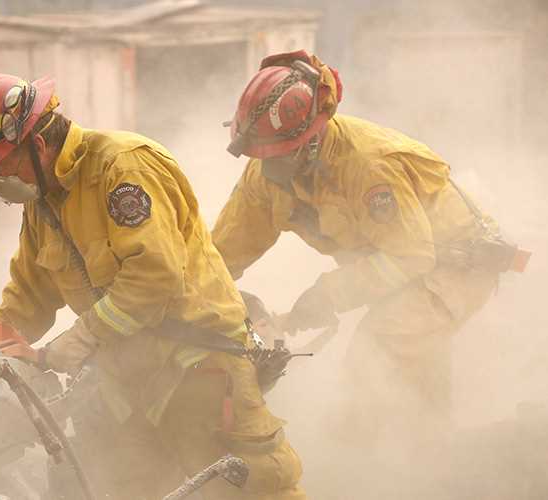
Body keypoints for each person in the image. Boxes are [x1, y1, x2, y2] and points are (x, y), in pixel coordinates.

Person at [0, 73, 307, 499]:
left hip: (199, 369)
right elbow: (27, 298)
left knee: (249, 488)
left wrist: (79, 339)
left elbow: (155, 276)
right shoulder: (42, 202)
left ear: (38, 144)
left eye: (1, 167)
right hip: (128, 385)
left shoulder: (123, 168)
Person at [212, 51, 521, 446]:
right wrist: (194, 296)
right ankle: (434, 457)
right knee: (418, 376)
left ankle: (359, 462)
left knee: (376, 353)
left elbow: (412, 257)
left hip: (454, 267)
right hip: (404, 267)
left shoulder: (369, 165)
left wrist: (329, 293)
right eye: (261, 156)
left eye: (278, 156)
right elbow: (221, 252)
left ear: (312, 141)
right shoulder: (267, 171)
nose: (267, 168)